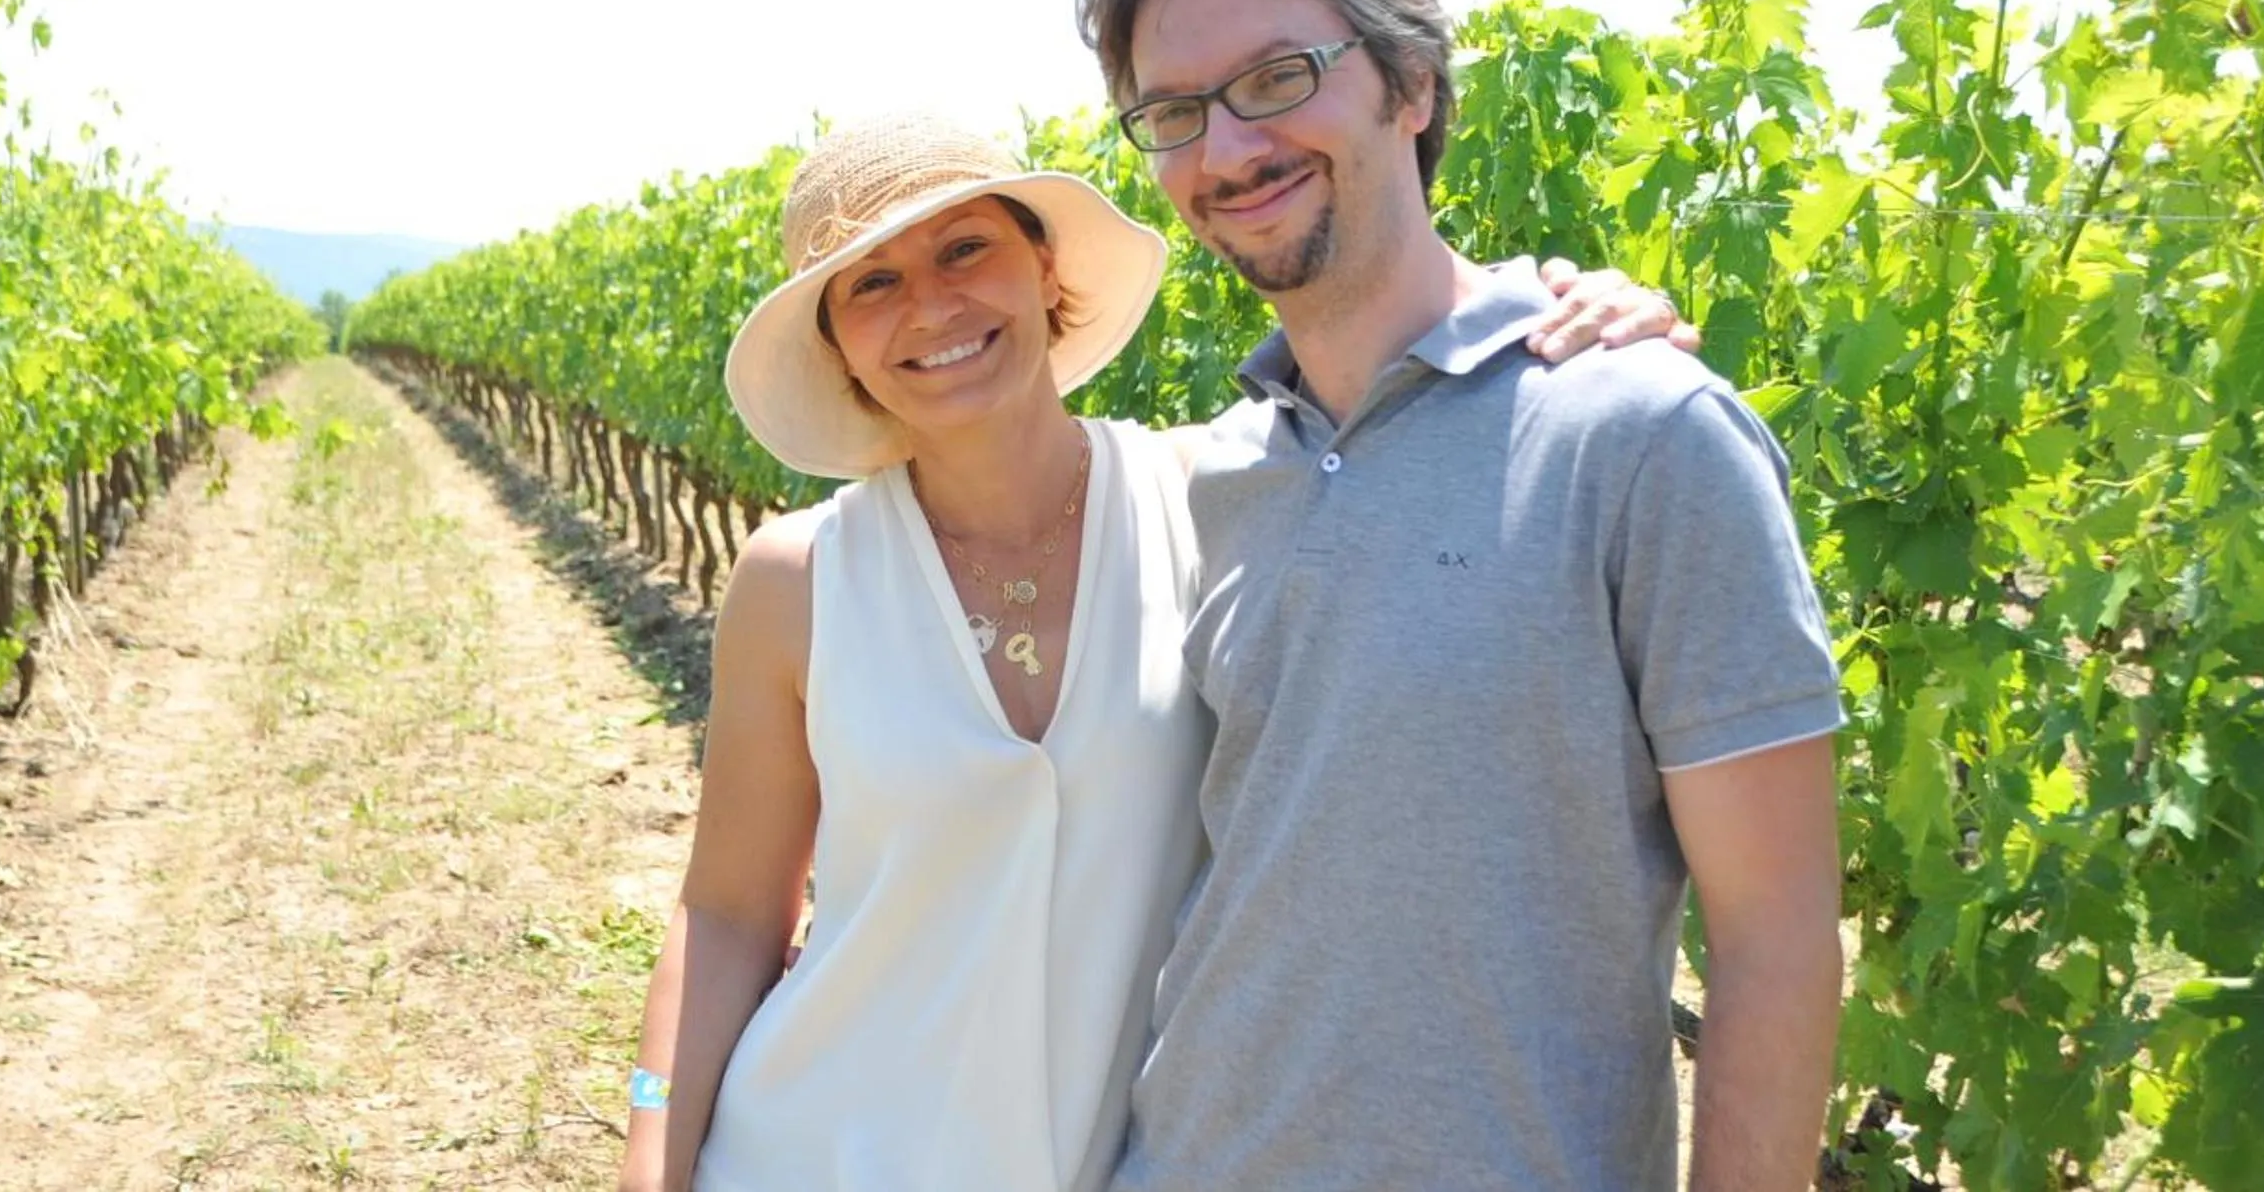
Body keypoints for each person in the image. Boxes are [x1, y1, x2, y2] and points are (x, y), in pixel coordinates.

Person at [616, 114, 1690, 1192]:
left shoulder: (1219, 500)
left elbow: (1436, 432)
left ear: (1043, 267)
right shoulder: (797, 579)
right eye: (871, 285)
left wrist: (1573, 326)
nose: (931, 306)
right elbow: (726, 915)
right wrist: (649, 1154)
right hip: (806, 1159)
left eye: (964, 249)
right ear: (838, 344)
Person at [1076, 0, 1846, 1192]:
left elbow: (1776, 937)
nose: (1226, 150)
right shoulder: (1216, 473)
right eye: (1173, 113)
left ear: (1410, 84)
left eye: (1275, 78)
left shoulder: (1642, 433)